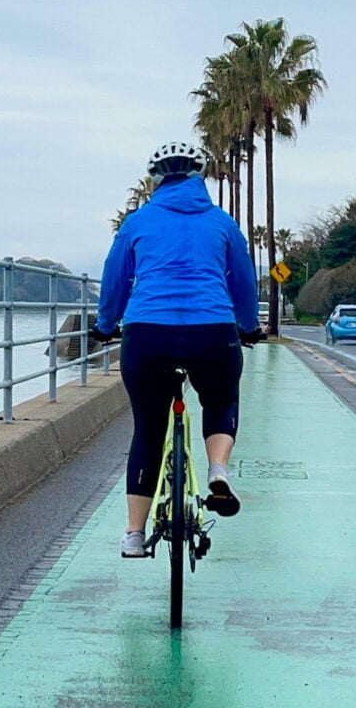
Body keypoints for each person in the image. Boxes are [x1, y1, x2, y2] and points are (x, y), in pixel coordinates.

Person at [91, 141, 262, 558]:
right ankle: (218, 469)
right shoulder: (222, 222)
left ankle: (134, 534)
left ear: (157, 179)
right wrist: (250, 326)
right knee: (220, 400)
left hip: (148, 333)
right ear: (198, 176)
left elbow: (114, 279)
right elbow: (243, 282)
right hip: (212, 332)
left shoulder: (137, 221)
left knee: (148, 429)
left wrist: (105, 325)